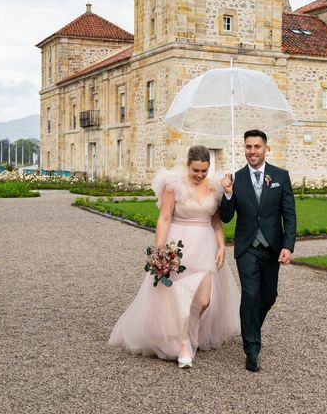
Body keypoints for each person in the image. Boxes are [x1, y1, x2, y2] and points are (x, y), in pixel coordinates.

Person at [109, 145, 240, 369]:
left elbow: (216, 222)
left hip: (206, 246)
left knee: (203, 300)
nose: (199, 175)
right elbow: (165, 218)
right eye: (195, 170)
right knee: (178, 295)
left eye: (204, 171)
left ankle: (189, 335)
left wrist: (221, 246)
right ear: (187, 165)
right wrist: (160, 250)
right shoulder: (173, 186)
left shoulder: (215, 187)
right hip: (178, 246)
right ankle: (183, 344)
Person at [219, 129, 296, 372]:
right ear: (244, 148)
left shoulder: (280, 176)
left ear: (266, 148)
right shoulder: (235, 179)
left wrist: (287, 245)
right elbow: (226, 217)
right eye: (248, 147)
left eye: (257, 147)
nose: (252, 151)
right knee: (250, 294)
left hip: (272, 247)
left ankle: (250, 326)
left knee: (269, 295)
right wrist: (228, 193)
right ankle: (251, 349)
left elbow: (289, 215)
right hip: (247, 248)